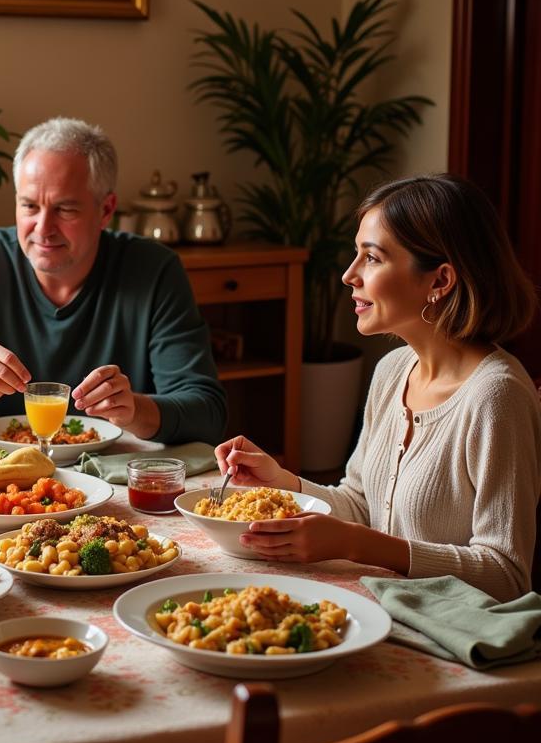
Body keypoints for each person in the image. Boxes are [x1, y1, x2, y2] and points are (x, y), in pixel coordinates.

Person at [216, 173, 541, 602]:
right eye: (357, 255)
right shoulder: (392, 371)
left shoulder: (496, 397)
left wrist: (358, 545)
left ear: (440, 281)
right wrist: (283, 482)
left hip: (447, 644)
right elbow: (361, 504)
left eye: (372, 258)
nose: (350, 275)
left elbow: (507, 575)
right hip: (380, 611)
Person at [0, 117, 227, 445]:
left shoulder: (154, 270)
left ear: (106, 210)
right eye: (30, 206)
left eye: (65, 210)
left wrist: (135, 410)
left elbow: (208, 413)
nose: (43, 228)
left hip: (115, 474)